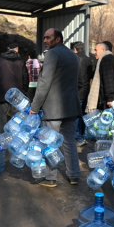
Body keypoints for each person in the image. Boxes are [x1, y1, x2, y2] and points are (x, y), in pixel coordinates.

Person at [30, 28, 81, 188]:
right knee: (69, 142)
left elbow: (44, 83)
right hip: (70, 107)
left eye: (48, 38)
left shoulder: (52, 54)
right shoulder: (73, 55)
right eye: (44, 38)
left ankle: (50, 178)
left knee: (50, 144)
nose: (45, 41)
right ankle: (74, 175)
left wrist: (34, 107)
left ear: (58, 39)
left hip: (53, 109)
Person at [0, 43, 29, 131]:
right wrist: (25, 90)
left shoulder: (0, 60)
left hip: (2, 91)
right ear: (16, 49)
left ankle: (1, 136)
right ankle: (14, 135)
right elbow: (25, 76)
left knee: (2, 116)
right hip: (17, 92)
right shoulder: (20, 61)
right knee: (16, 116)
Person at [86, 43, 114, 113]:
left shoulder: (106, 60)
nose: (94, 52)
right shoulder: (112, 58)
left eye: (96, 50)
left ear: (103, 50)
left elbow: (108, 80)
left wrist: (110, 99)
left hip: (109, 102)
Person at [73, 42, 93, 147]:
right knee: (84, 115)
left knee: (77, 115)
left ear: (75, 49)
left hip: (78, 90)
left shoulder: (75, 59)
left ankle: (78, 137)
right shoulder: (88, 59)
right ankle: (83, 136)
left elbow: (77, 77)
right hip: (86, 90)